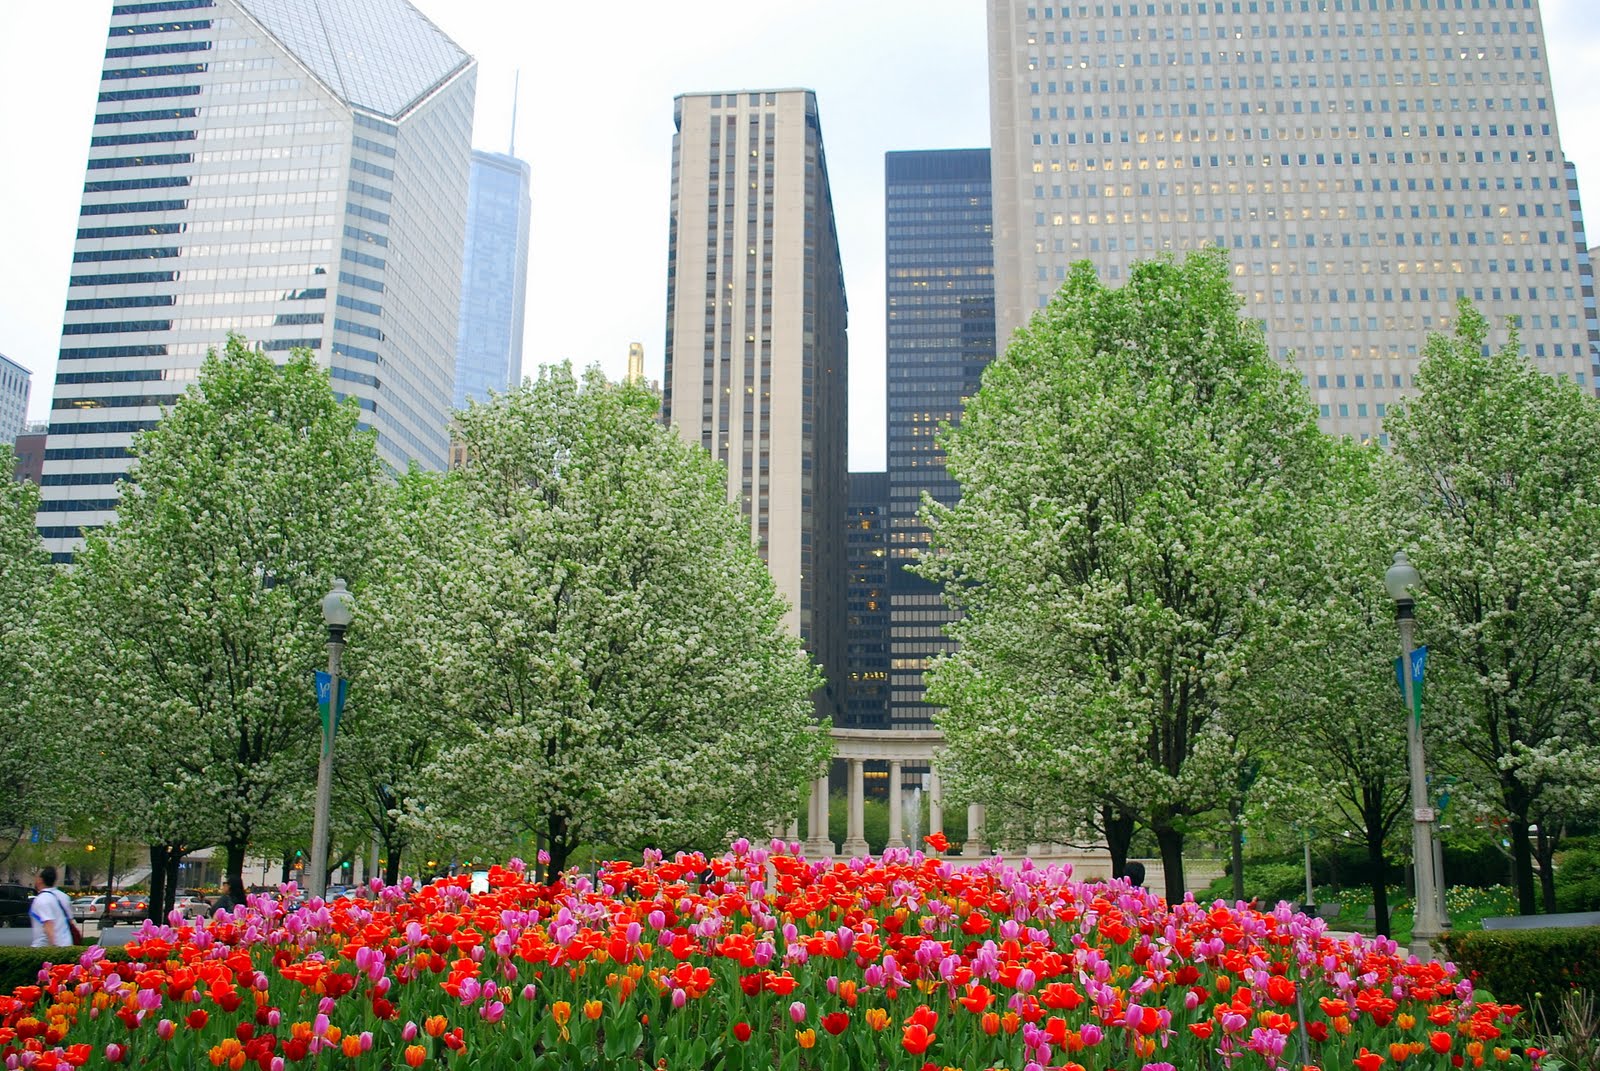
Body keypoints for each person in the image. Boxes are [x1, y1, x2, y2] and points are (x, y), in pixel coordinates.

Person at [30, 866, 73, 948]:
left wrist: (53, 948)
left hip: (44, 948)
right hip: (67, 944)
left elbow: (48, 925)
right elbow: (70, 921)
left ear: (40, 880)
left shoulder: (42, 899)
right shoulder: (64, 897)